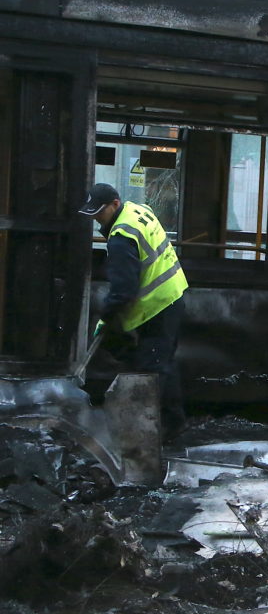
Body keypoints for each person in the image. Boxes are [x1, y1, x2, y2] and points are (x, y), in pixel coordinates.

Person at [79, 182, 189, 442]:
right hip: (173, 294)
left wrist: (105, 317)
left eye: (99, 212)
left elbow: (123, 291)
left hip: (158, 304)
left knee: (152, 369)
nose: (96, 219)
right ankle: (173, 424)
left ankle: (151, 432)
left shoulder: (121, 237)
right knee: (163, 365)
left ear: (115, 204)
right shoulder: (138, 210)